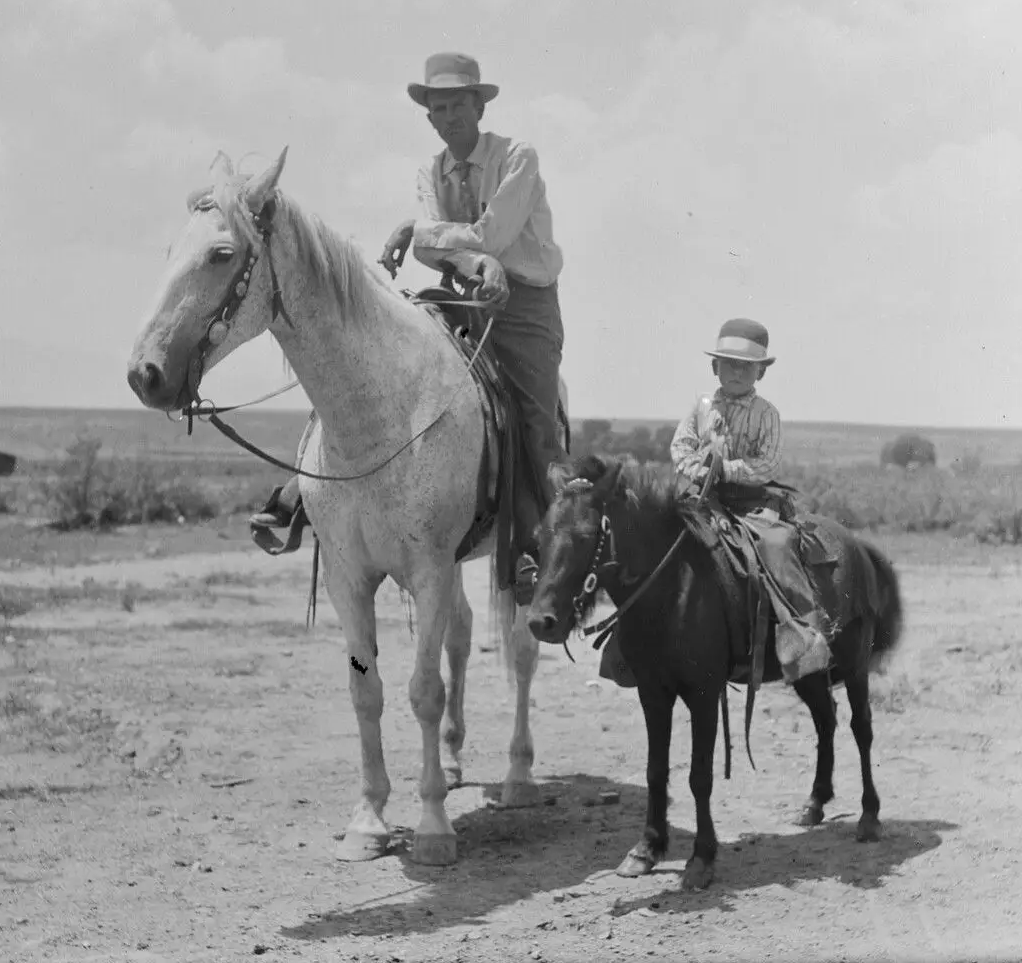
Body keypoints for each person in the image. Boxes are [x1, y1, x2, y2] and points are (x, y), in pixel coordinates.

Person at [251, 53, 566, 601]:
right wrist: (438, 244)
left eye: (457, 104)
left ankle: (542, 546)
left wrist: (425, 232)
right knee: (377, 364)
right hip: (462, 293)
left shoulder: (518, 158)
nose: (447, 116)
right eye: (437, 107)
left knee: (535, 419)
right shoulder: (430, 172)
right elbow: (437, 251)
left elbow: (492, 235)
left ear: (479, 104)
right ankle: (306, 490)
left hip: (525, 306)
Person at [599, 318, 835, 688]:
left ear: (761, 371)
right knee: (654, 540)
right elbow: (681, 445)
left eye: (746, 365)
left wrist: (727, 469)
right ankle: (629, 643)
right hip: (700, 498)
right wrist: (695, 468)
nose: (737, 371)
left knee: (777, 545)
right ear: (714, 367)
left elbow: (768, 462)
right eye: (729, 363)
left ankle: (801, 637)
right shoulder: (701, 407)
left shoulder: (766, 414)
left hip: (752, 503)